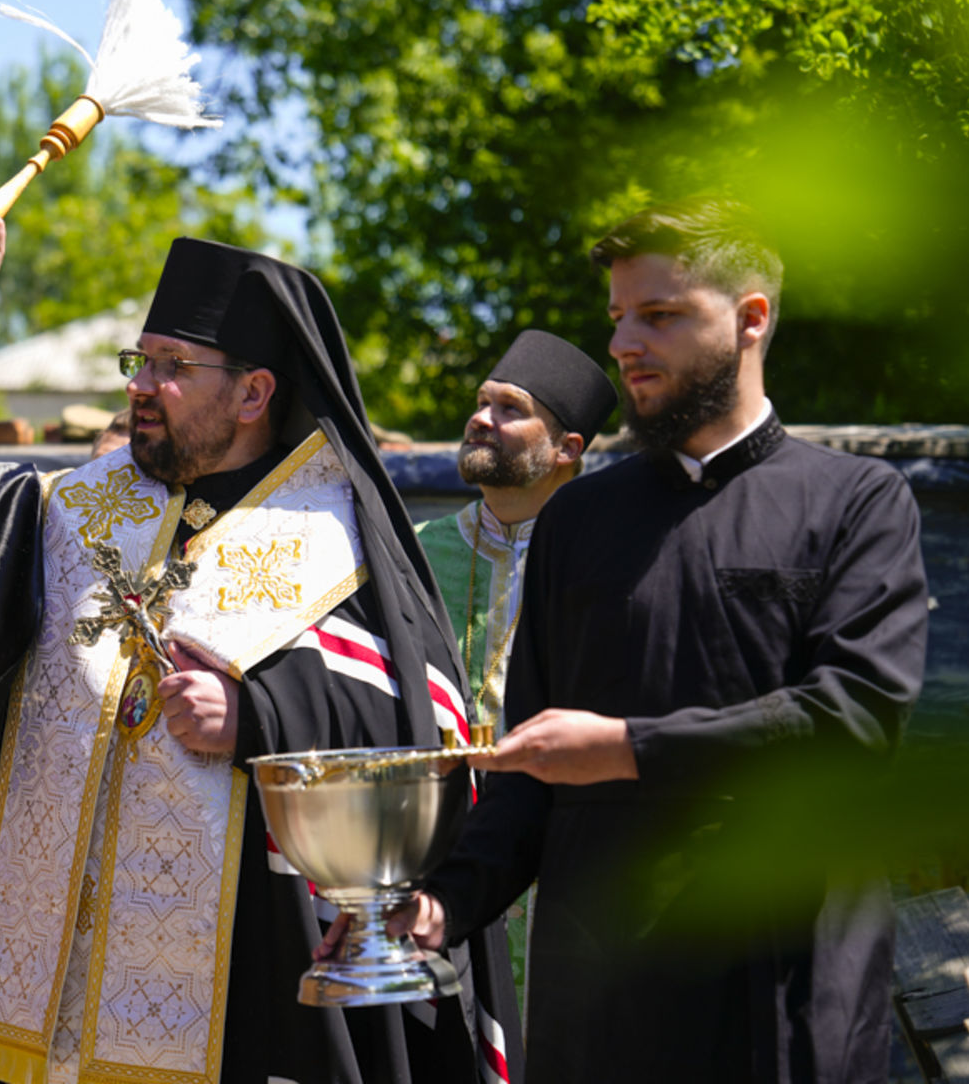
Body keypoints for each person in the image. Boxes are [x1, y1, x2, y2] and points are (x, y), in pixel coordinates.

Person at [0, 195, 501, 1083]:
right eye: (141, 359)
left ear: (253, 391)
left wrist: (258, 716)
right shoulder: (79, 506)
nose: (139, 383)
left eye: (172, 366)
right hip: (46, 983)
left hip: (236, 988)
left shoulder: (332, 533)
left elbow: (425, 713)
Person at [384, 197, 930, 1083]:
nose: (625, 342)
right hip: (601, 1000)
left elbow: (854, 721)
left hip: (784, 986)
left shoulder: (856, 503)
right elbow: (524, 790)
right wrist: (441, 904)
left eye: (661, 314)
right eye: (618, 318)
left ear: (751, 318)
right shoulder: (580, 519)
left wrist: (626, 748)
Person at [409, 330, 615, 1038]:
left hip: (567, 852)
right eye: (481, 402)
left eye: (509, 408)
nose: (481, 418)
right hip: (439, 846)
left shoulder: (616, 553)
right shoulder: (413, 553)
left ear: (568, 449)